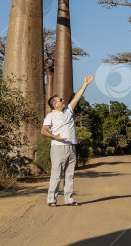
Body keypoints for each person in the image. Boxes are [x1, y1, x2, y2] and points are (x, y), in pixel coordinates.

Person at [41, 74, 94, 207]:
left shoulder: (69, 111)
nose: (63, 100)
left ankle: (69, 199)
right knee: (57, 174)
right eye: (60, 99)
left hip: (71, 147)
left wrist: (85, 85)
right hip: (58, 147)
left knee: (70, 175)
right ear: (55, 104)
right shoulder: (51, 116)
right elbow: (43, 130)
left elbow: (77, 97)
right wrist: (55, 137)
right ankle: (51, 200)